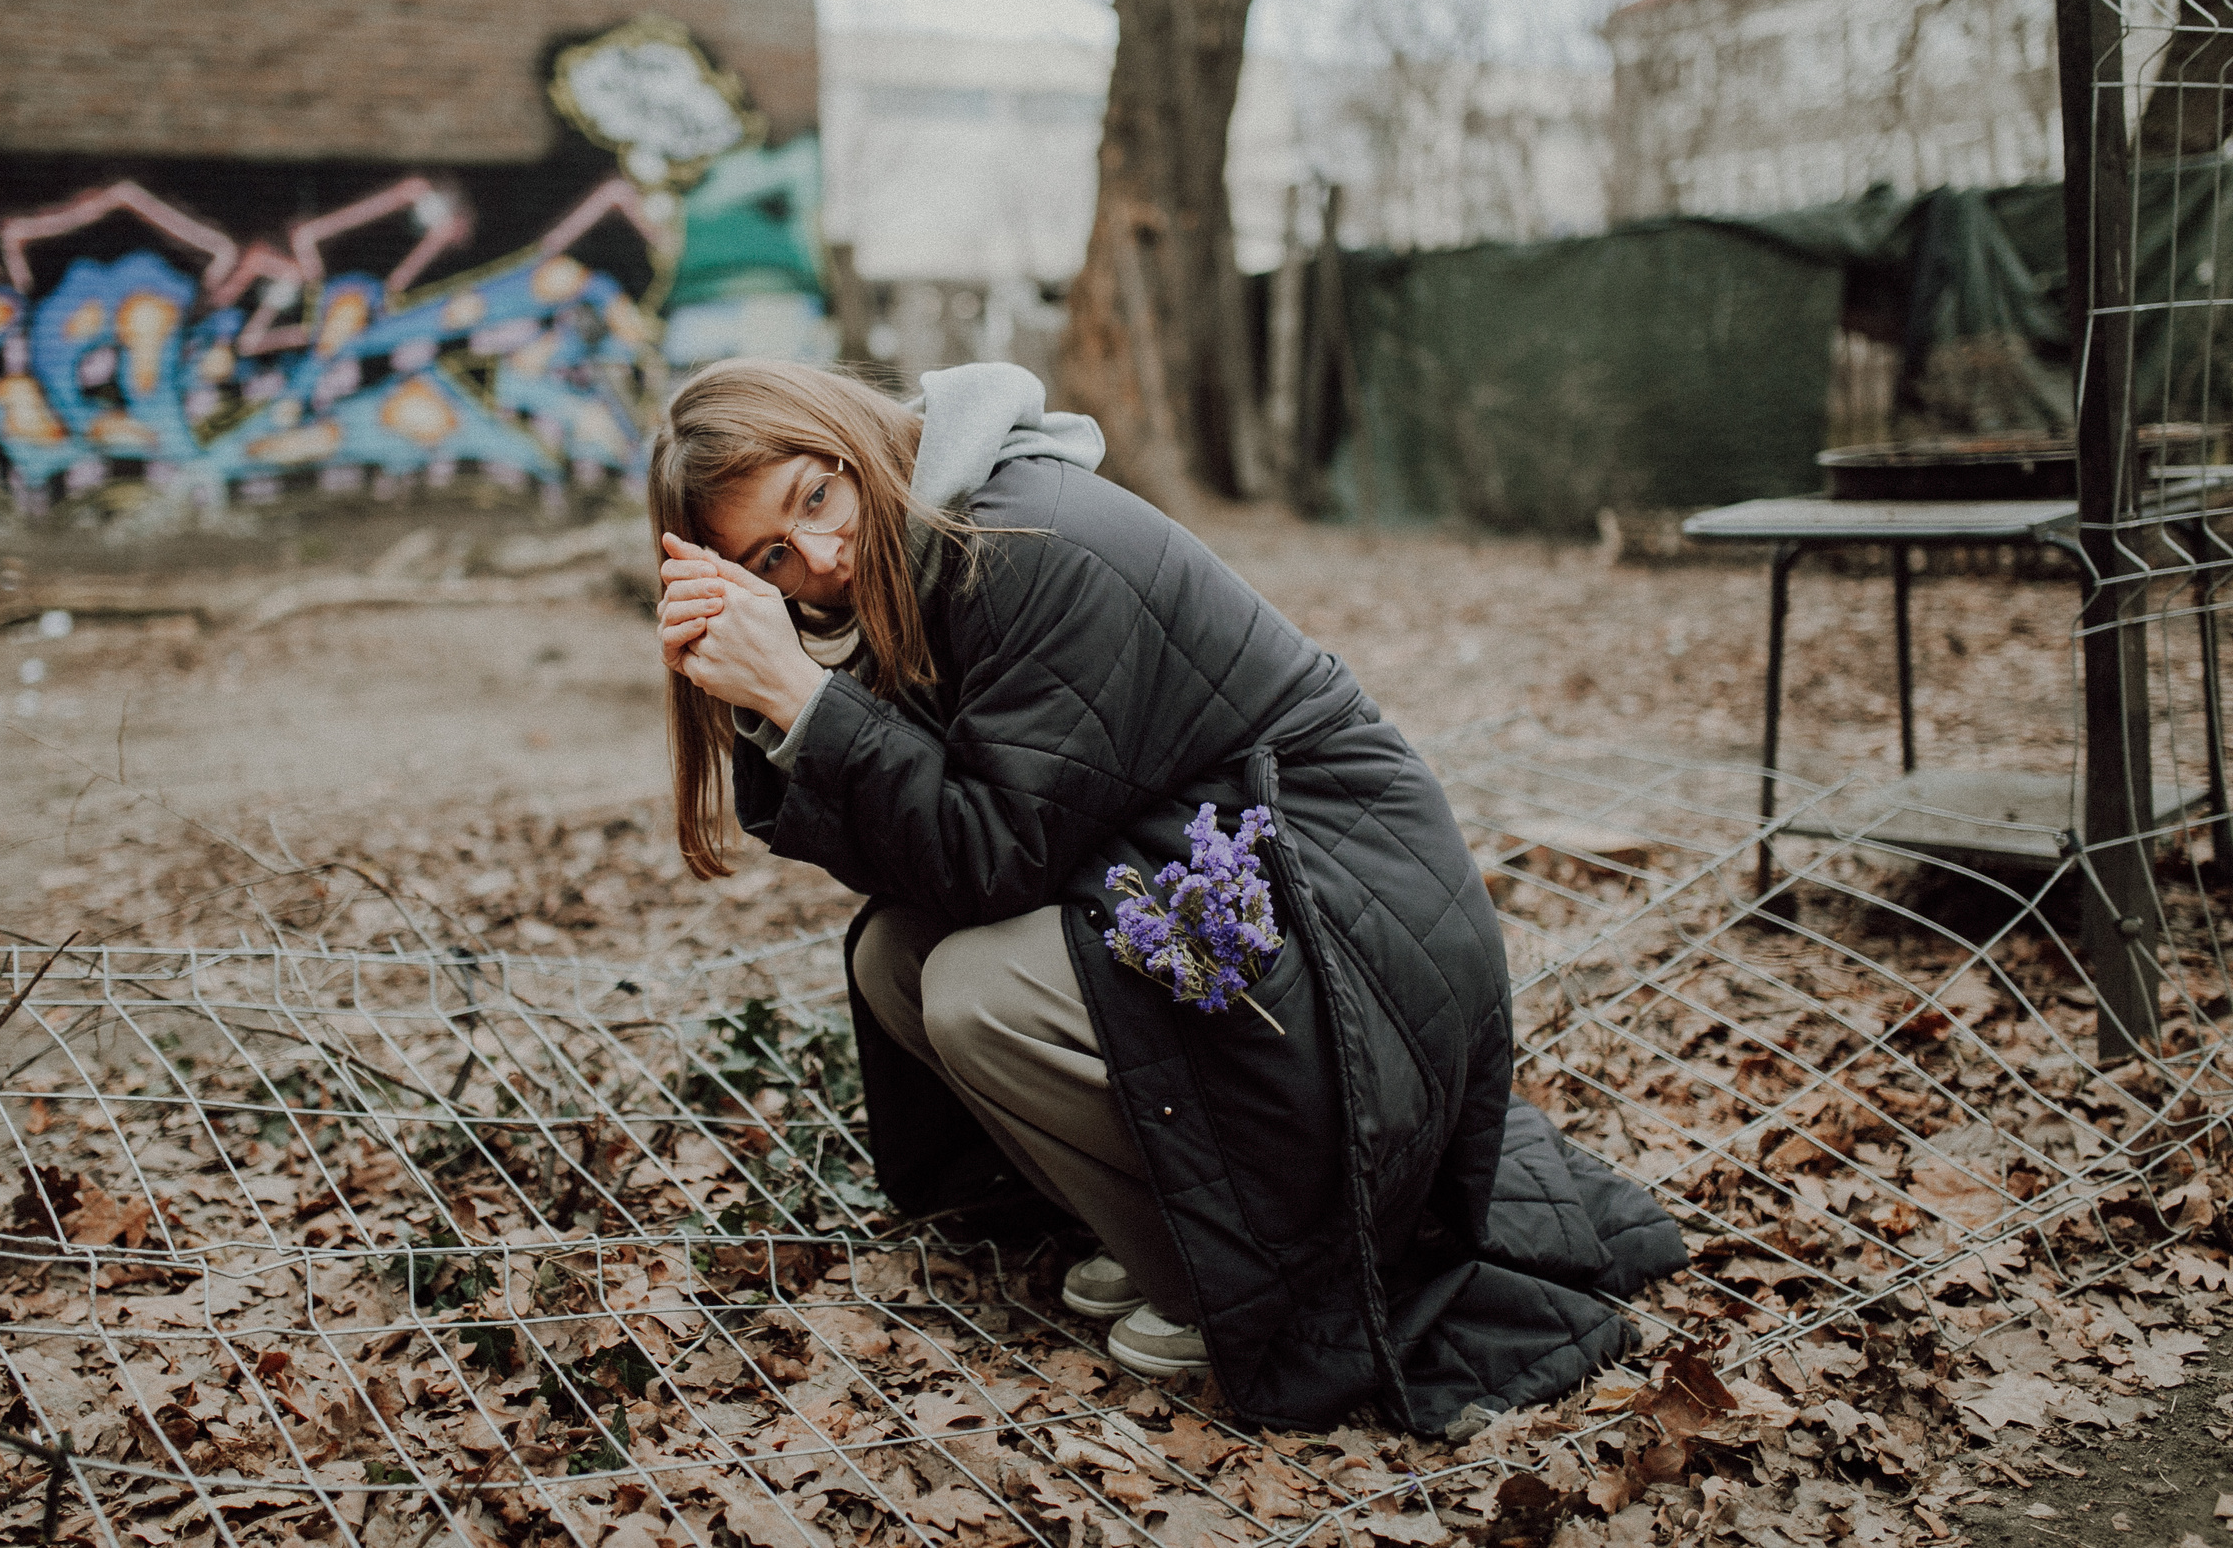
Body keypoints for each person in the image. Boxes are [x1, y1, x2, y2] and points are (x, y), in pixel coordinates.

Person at [649, 359, 1683, 1432]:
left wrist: (806, 699)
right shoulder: (934, 553)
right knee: (894, 959)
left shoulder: (1021, 544)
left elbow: (989, 856)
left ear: (851, 438)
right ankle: (1161, 1225)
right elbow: (928, 854)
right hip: (1220, 874)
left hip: (1342, 909)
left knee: (970, 988)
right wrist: (788, 711)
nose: (818, 556)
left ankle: (1235, 1282)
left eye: (815, 497)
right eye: (771, 558)